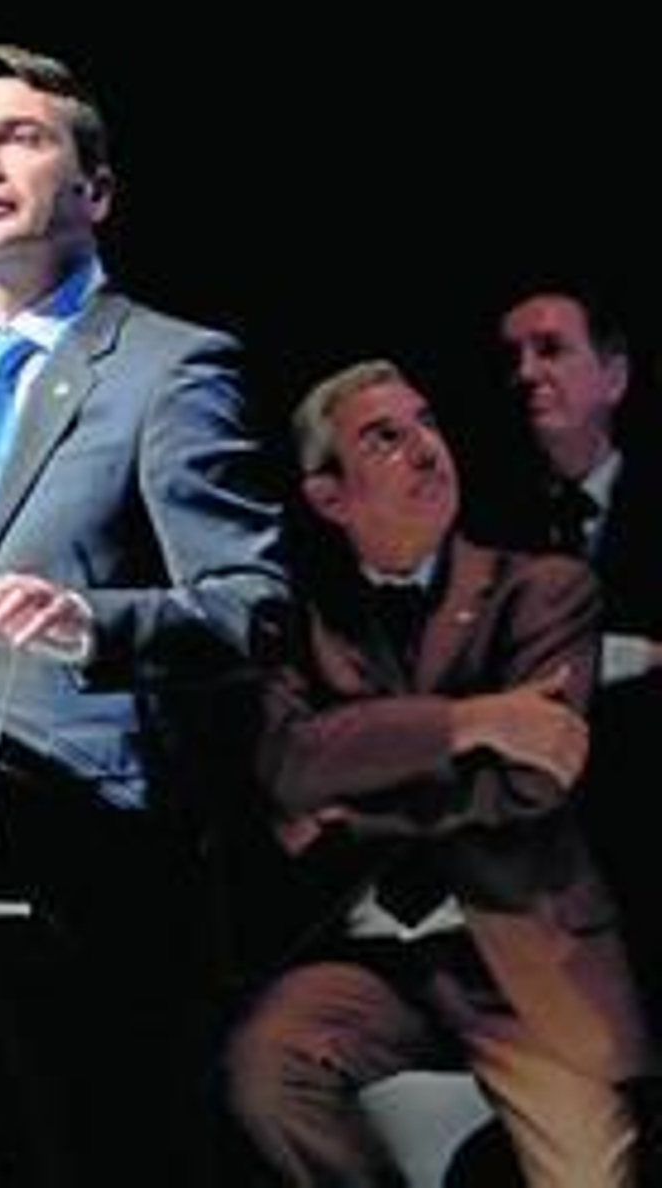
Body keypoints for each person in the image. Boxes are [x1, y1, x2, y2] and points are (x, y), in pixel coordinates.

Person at [0, 42, 286, 1185]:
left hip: (98, 869)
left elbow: (252, 611)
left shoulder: (169, 367)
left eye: (19, 137)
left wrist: (94, 623)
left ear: (95, 190)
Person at [223, 358, 657, 1185]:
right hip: (371, 965)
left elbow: (536, 779)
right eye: (385, 439)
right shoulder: (297, 621)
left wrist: (354, 806)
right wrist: (476, 719)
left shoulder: (544, 590)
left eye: (426, 423)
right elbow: (291, 766)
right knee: (263, 1069)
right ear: (329, 496)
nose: (426, 450)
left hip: (522, 957)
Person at [492, 285, 661, 1029]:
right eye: (514, 357)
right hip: (537, 880)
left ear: (615, 378)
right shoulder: (489, 525)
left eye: (551, 349)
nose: (526, 372)